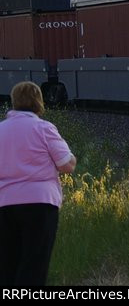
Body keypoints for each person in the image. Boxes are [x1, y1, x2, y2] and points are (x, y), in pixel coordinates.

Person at [0, 81, 76, 286]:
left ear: (13, 102)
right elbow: (66, 165)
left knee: (7, 265)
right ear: (38, 102)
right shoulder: (44, 128)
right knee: (34, 264)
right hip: (40, 204)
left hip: (5, 204)